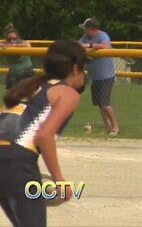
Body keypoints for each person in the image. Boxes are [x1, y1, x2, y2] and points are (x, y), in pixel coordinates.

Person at [0, 40, 89, 227]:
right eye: (84, 67)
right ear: (75, 68)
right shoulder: (67, 92)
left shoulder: (28, 86)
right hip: (16, 162)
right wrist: (59, 180)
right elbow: (44, 135)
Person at [79, 17, 120, 135]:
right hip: (95, 76)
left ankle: (115, 127)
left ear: (92, 29)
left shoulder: (103, 35)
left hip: (106, 75)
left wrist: (89, 46)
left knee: (105, 103)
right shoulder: (85, 38)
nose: (85, 31)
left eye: (86, 28)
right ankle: (108, 129)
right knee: (99, 104)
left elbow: (105, 46)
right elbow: (79, 45)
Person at [0, 23, 34, 89]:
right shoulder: (5, 44)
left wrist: (14, 46)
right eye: (9, 39)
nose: (12, 41)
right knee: (12, 95)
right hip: (13, 73)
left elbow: (28, 45)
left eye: (14, 38)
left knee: (30, 94)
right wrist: (5, 45)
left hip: (27, 71)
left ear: (17, 37)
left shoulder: (22, 42)